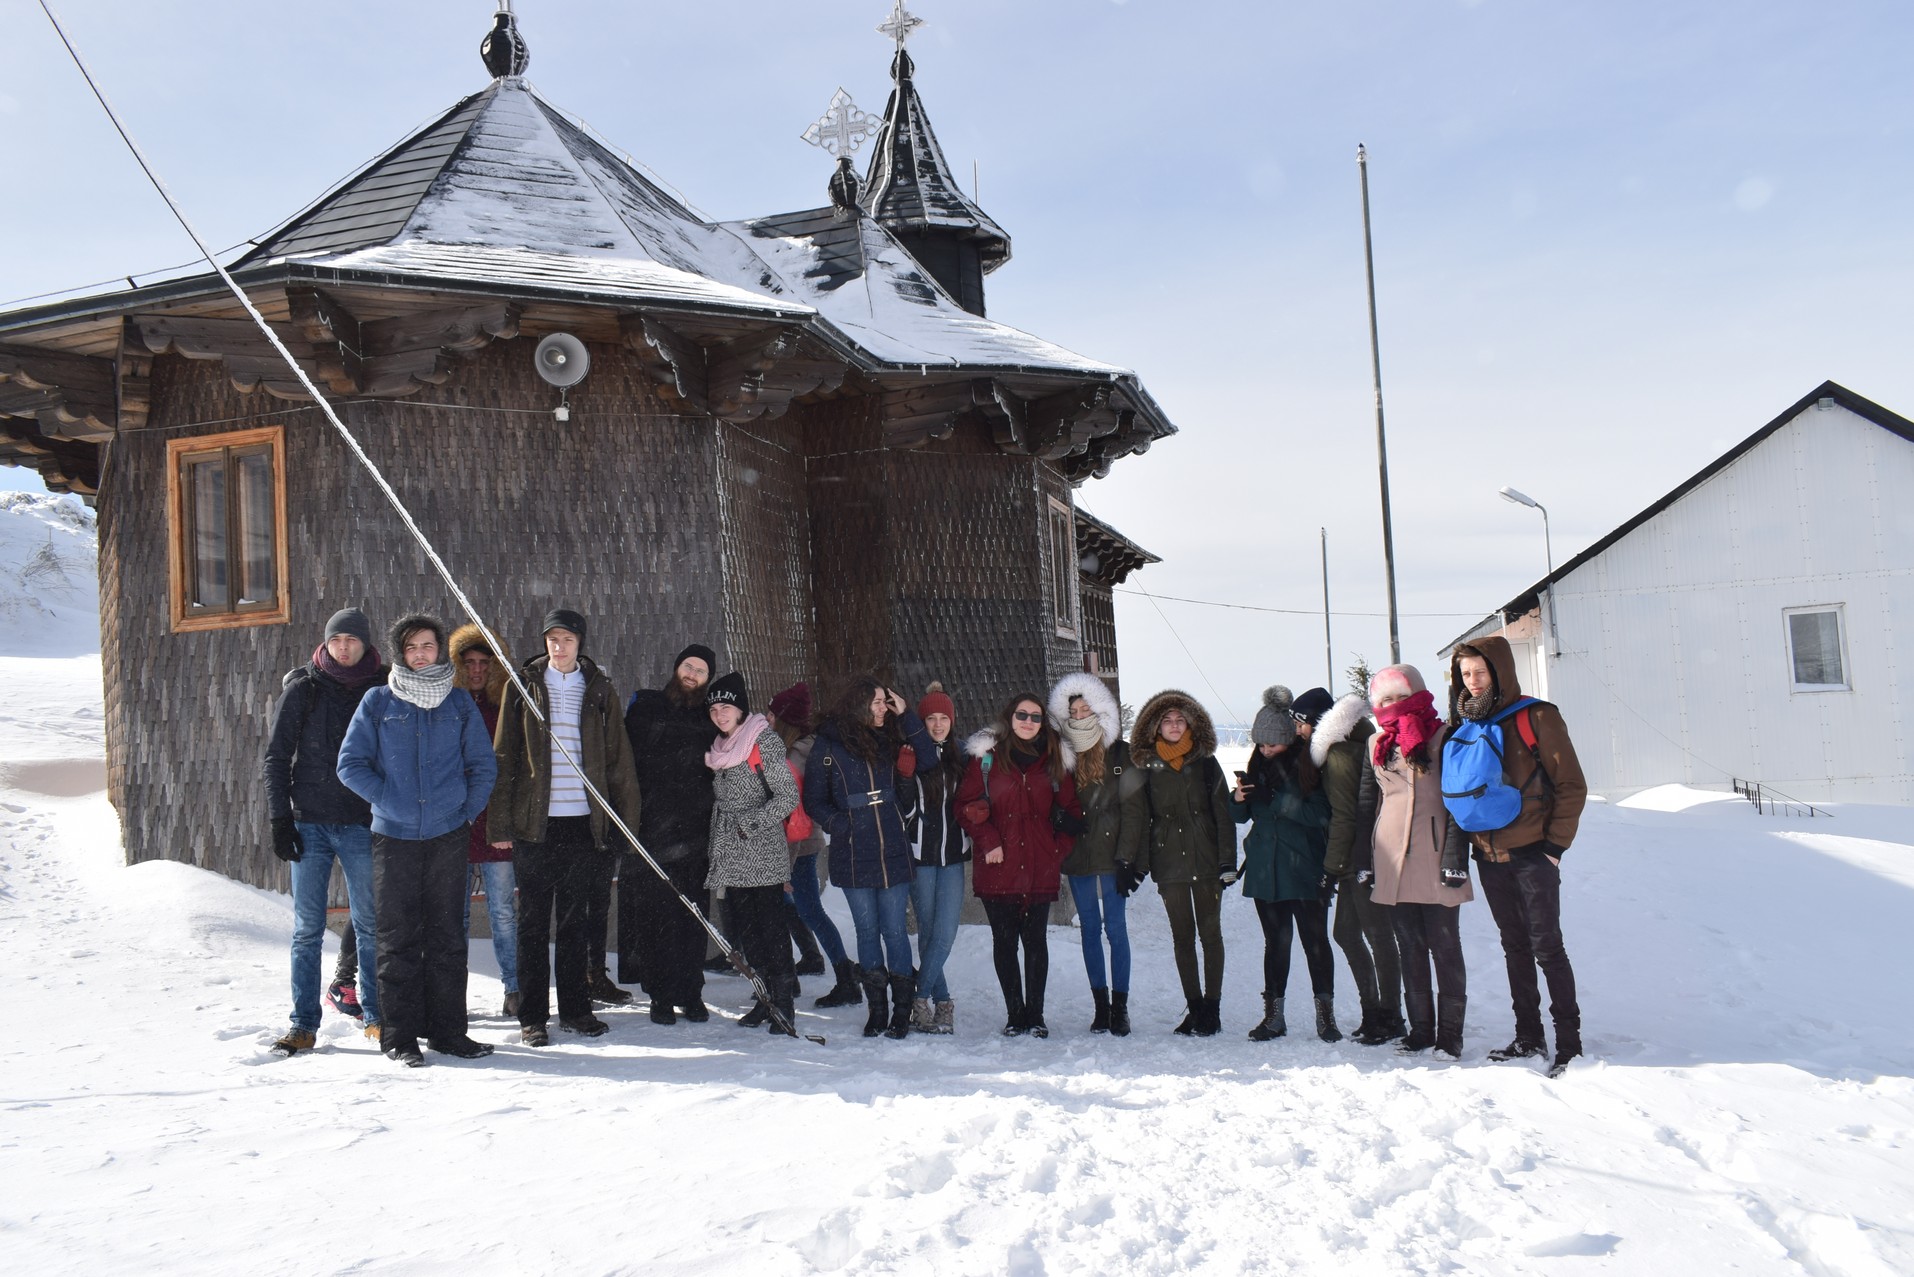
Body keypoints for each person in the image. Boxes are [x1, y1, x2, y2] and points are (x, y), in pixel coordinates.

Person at [336, 614, 498, 1067]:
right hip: (394, 838)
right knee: (397, 938)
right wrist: (388, 800)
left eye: (428, 645)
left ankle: (450, 1033)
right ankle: (400, 1037)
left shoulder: (460, 704)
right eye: (412, 648)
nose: (421, 654)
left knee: (449, 937)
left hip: (448, 835)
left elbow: (483, 767)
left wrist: (463, 811)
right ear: (400, 654)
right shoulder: (378, 701)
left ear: (439, 650)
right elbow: (350, 765)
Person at [487, 610, 643, 1046]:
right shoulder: (523, 686)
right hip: (536, 826)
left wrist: (625, 824)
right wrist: (500, 822)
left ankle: (576, 1009)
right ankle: (532, 1017)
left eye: (568, 639)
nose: (560, 647)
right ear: (545, 643)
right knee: (533, 924)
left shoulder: (599, 690)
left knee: (576, 922)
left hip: (584, 824)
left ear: (580, 644)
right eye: (553, 639)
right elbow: (505, 756)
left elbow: (618, 761)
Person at [1446, 636, 1589, 1077]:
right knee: (1514, 947)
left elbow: (1571, 785)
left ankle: (1569, 1045)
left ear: (1500, 671)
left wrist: (1554, 848)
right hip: (1489, 856)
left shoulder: (1536, 716)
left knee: (1548, 947)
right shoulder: (1464, 722)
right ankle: (1528, 1037)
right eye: (1465, 674)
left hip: (1532, 853)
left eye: (1480, 672)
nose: (1472, 682)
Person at [263, 607, 386, 1055]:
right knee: (306, 930)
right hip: (309, 825)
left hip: (362, 824)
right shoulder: (303, 690)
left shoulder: (382, 687)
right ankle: (303, 1024)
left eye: (352, 640)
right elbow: (276, 758)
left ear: (365, 644)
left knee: (371, 926)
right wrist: (281, 819)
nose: (344, 647)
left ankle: (376, 1017)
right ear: (327, 642)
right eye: (337, 640)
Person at [801, 677, 938, 1039]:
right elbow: (814, 798)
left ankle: (902, 1012)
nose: (882, 708)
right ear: (858, 705)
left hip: (893, 847)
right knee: (866, 931)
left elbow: (927, 758)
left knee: (894, 931)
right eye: (877, 702)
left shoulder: (893, 736)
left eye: (884, 702)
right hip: (851, 851)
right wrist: (838, 823)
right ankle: (876, 1010)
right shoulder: (829, 744)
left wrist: (906, 714)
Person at [1357, 663, 1471, 1058]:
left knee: (1445, 944)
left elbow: (1459, 804)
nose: (1392, 706)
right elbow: (1366, 805)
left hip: (1436, 851)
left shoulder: (1445, 736)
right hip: (1392, 855)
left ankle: (1450, 1037)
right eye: (1384, 700)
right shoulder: (1376, 745)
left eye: (1400, 697)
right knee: (1409, 945)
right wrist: (1364, 859)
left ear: (1417, 695)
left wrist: (1456, 855)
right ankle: (1421, 1030)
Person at [956, 693, 1080, 1038]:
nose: (1028, 721)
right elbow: (965, 805)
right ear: (1010, 717)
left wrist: (1056, 851)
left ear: (1043, 722)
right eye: (1022, 715)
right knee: (1005, 941)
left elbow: (1072, 812)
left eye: (1036, 717)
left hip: (1040, 866)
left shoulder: (1055, 761)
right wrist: (988, 840)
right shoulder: (986, 760)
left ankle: (1035, 1015)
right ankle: (1015, 1014)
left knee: (1036, 941)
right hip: (998, 865)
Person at [1120, 690, 1237, 1036]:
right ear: (1155, 726)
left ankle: (1212, 1009)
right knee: (1182, 937)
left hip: (1206, 858)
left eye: (1179, 720)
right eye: (1167, 720)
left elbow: (1223, 814)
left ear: (1190, 723)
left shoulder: (1205, 762)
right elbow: (1139, 817)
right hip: (1168, 860)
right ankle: (1195, 1007)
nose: (1173, 725)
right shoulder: (1145, 765)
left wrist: (1227, 861)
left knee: (1210, 934)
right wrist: (1137, 865)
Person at [1300, 685, 1406, 1046]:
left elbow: (1348, 816)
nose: (1297, 730)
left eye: (1300, 723)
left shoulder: (1342, 755)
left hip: (1365, 857)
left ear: (1316, 723)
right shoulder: (1343, 747)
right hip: (1354, 857)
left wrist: (1331, 870)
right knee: (1346, 933)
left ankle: (1390, 1017)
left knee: (1378, 935)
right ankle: (1373, 1011)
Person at [1232, 687, 1338, 1042]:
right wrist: (1238, 799)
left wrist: (1276, 801)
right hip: (1267, 871)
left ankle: (1326, 1017)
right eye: (1261, 745)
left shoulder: (1309, 767)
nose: (1265, 751)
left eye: (1272, 745)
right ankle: (1273, 1017)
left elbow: (1320, 815)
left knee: (1315, 942)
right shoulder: (1256, 768)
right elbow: (1240, 815)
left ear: (1288, 740)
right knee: (1275, 944)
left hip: (1305, 868)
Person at [622, 644, 720, 1024]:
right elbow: (626, 765)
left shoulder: (711, 717)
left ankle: (690, 991)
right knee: (655, 917)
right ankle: (660, 994)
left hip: (696, 832)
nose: (692, 674)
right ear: (677, 667)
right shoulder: (646, 707)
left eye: (700, 671)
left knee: (693, 914)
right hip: (652, 831)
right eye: (688, 666)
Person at [702, 673, 803, 1034]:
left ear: (741, 709)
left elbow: (788, 797)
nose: (719, 714)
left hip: (762, 852)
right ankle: (764, 999)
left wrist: (750, 823)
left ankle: (784, 1003)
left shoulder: (764, 742)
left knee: (772, 930)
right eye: (714, 708)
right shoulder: (720, 746)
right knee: (749, 932)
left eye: (726, 707)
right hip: (733, 854)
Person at [1047, 672, 1134, 1036]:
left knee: (1116, 929)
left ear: (1099, 711)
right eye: (1074, 711)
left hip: (1114, 855)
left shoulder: (1119, 752)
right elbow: (1050, 801)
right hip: (1079, 853)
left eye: (1086, 709)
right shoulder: (1061, 756)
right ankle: (1100, 1006)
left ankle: (1120, 1007)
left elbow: (1135, 808)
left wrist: (1129, 857)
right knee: (1089, 930)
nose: (1081, 715)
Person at [771, 682, 862, 1010]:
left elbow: (796, 813)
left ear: (784, 719)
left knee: (810, 910)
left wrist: (786, 862)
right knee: (791, 909)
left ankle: (845, 979)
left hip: (799, 845)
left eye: (772, 713)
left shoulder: (796, 754)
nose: (766, 718)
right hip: (797, 843)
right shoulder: (799, 748)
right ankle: (800, 971)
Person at [447, 624, 518, 1019]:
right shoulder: (448, 704)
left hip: (496, 824)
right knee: (453, 914)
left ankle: (514, 988)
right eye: (469, 662)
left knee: (503, 912)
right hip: (456, 823)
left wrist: (507, 824)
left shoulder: (506, 706)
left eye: (484, 663)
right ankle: (453, 992)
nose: (477, 670)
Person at [905, 682, 969, 1035]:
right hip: (920, 854)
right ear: (922, 722)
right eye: (931, 718)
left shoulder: (963, 754)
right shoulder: (912, 754)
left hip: (954, 854)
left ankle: (920, 997)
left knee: (944, 933)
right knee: (927, 931)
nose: (939, 724)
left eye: (944, 717)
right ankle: (942, 1003)